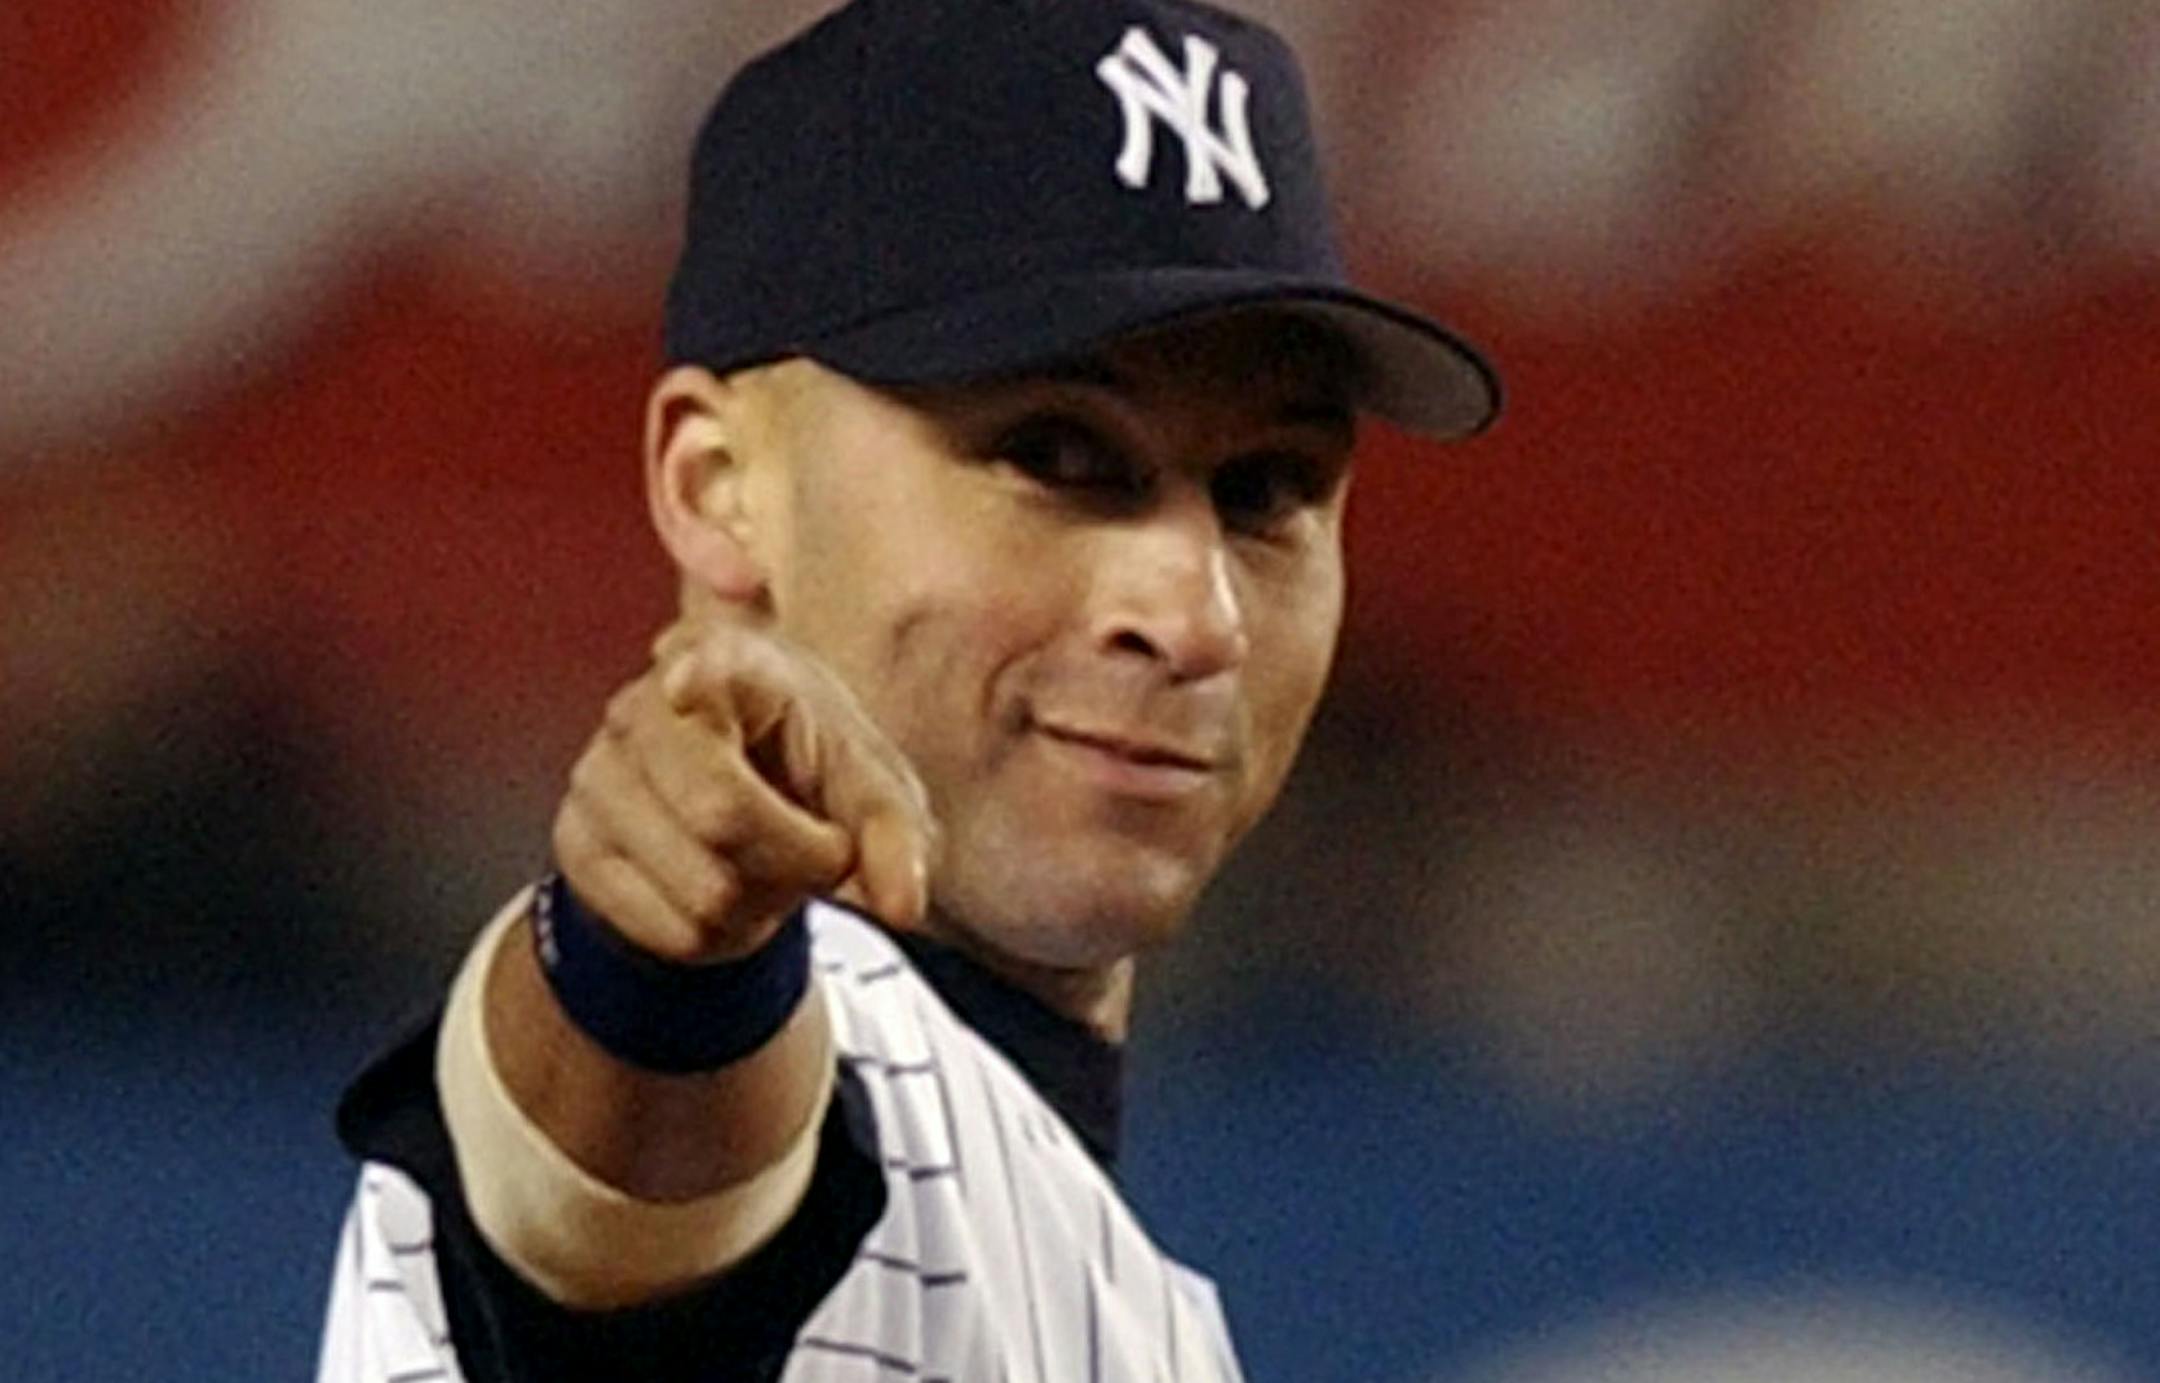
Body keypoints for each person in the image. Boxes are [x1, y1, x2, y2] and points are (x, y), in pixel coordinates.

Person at [315, 0, 1498, 1379]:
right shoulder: (815, 1045)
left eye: (1267, 488)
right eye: (1059, 453)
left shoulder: (1081, 1244)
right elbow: (620, 1173)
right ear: (719, 487)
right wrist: (652, 964)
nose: (1193, 615)